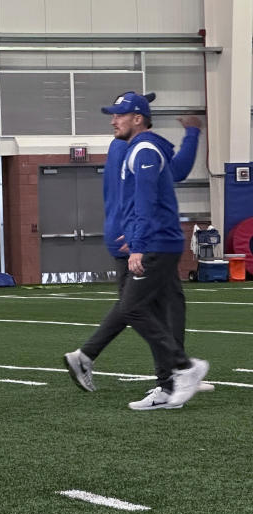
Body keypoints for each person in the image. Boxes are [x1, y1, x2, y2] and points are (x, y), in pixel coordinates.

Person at [64, 94, 202, 393]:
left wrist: (191, 134)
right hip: (134, 234)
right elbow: (157, 186)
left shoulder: (135, 145)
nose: (115, 121)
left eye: (119, 115)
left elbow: (170, 174)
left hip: (134, 231)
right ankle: (176, 373)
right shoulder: (130, 146)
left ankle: (174, 376)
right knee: (137, 306)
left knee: (158, 304)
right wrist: (137, 236)